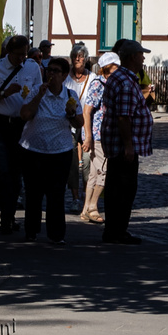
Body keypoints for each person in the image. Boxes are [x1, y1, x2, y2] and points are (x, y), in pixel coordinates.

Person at [18, 56, 82, 245]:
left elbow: (80, 123)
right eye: (49, 70)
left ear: (63, 76)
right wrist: (39, 95)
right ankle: (31, 230)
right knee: (33, 193)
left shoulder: (70, 95)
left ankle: (56, 234)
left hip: (59, 151)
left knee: (56, 194)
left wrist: (71, 114)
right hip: (33, 149)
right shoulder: (36, 92)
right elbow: (25, 115)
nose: (51, 74)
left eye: (55, 71)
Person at [0, 35, 42, 233]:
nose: (21, 58)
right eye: (18, 55)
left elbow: (38, 91)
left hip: (21, 124)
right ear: (8, 52)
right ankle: (5, 217)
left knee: (17, 172)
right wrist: (5, 93)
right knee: (2, 172)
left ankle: (10, 216)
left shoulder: (32, 67)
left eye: (24, 54)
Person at [98, 39, 152, 244]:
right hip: (122, 147)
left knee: (117, 188)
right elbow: (123, 116)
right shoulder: (125, 81)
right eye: (141, 54)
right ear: (131, 57)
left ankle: (115, 229)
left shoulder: (123, 77)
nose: (143, 58)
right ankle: (116, 231)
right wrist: (129, 146)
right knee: (123, 189)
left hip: (118, 144)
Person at [79, 51, 117, 224]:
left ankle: (86, 208)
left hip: (104, 133)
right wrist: (88, 137)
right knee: (104, 170)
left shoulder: (110, 83)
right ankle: (93, 207)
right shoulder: (98, 84)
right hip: (98, 134)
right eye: (116, 67)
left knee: (94, 173)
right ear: (108, 68)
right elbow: (87, 111)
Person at [64, 49, 97, 208]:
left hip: (86, 123)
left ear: (85, 59)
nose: (77, 58)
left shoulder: (92, 78)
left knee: (86, 162)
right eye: (74, 56)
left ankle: (86, 195)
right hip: (68, 123)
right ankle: (75, 198)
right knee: (71, 163)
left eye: (80, 56)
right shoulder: (65, 78)